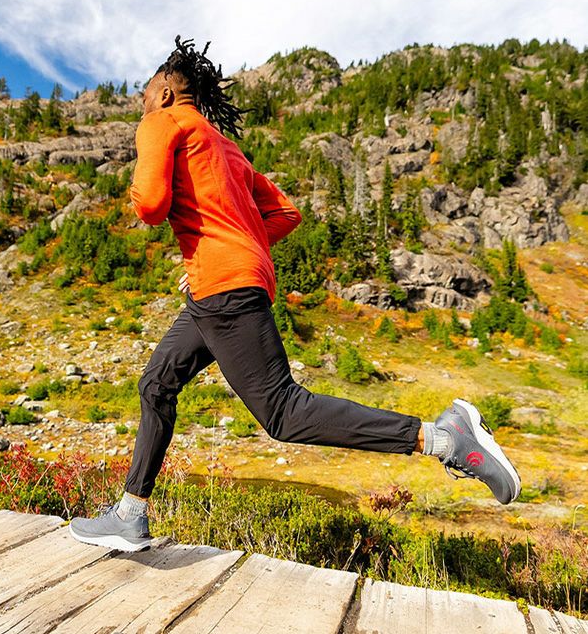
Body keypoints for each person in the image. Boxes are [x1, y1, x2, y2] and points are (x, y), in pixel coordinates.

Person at [69, 37, 521, 552]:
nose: (142, 101)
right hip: (219, 286)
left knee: (282, 412)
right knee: (156, 384)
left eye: (147, 91)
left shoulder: (161, 122)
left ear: (169, 90)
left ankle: (444, 439)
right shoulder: (228, 150)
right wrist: (233, 249)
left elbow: (150, 204)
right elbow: (285, 214)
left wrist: (216, 250)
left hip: (223, 286)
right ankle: (130, 514)